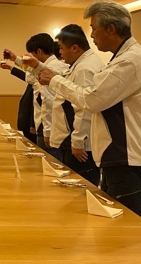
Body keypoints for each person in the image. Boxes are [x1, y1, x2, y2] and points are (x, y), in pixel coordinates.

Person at [38, 1, 141, 217]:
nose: (92, 35)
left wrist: (55, 81)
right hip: (121, 157)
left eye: (94, 28)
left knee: (126, 227)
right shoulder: (122, 58)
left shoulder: (130, 61)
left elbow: (92, 99)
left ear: (110, 29)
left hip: (129, 159)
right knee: (112, 223)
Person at [38, 24, 103, 184]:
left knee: (80, 187)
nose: (59, 52)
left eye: (61, 48)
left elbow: (84, 107)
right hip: (73, 139)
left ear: (74, 48)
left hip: (80, 145)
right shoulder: (81, 64)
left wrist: (78, 141)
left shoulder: (85, 68)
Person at [3, 34, 68, 159]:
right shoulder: (49, 66)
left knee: (50, 164)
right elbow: (31, 75)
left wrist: (47, 131)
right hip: (46, 126)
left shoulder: (52, 68)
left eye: (31, 54)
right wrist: (15, 59)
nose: (30, 58)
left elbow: (48, 101)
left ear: (39, 51)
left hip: (49, 127)